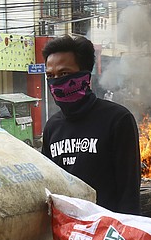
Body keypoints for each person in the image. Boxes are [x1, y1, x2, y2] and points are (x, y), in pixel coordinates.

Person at [40, 34, 141, 215]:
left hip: (108, 231)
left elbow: (129, 192)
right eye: (50, 76)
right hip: (68, 231)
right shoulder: (51, 127)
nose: (56, 82)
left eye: (64, 74)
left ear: (85, 76)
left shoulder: (118, 119)